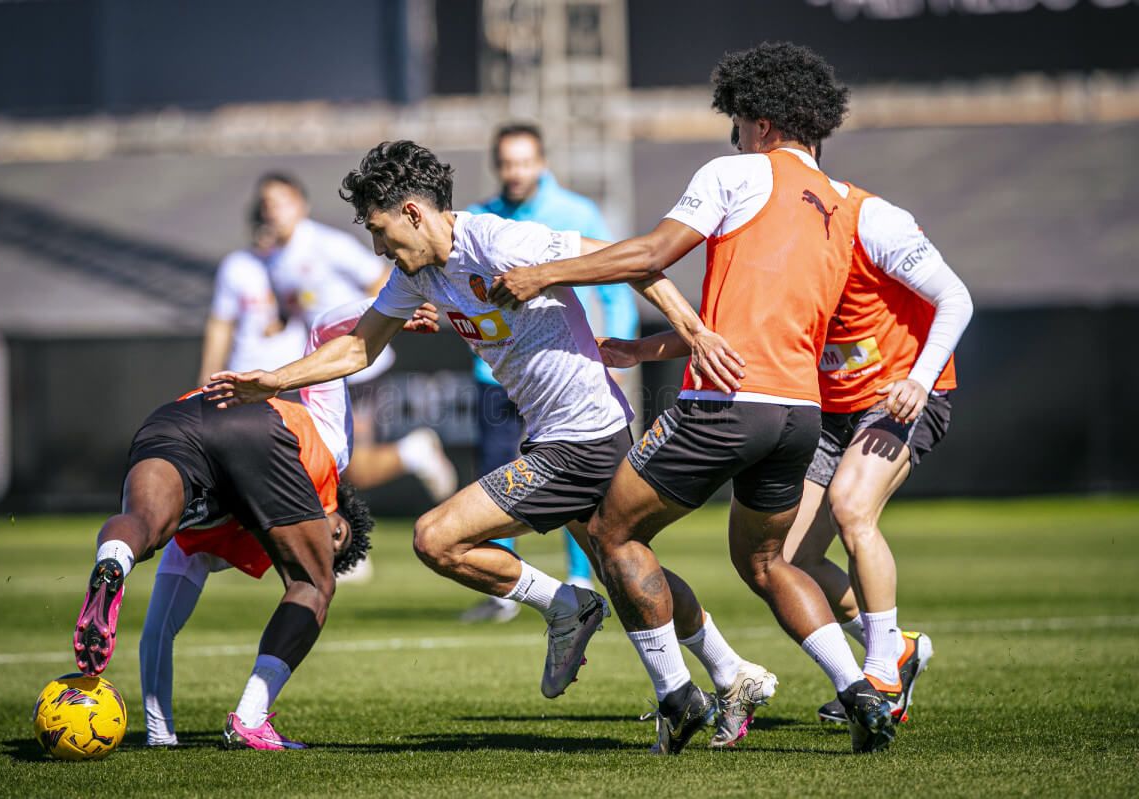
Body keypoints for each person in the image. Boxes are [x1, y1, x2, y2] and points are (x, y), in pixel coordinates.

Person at [206, 142, 777, 721]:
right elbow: (358, 346)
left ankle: (573, 615)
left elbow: (632, 261)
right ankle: (730, 675)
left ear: (412, 213)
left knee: (436, 538)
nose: (379, 249)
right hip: (561, 434)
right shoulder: (418, 276)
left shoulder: (498, 241)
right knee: (623, 562)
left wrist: (695, 332)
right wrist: (274, 379)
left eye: (380, 232)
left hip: (581, 440)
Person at [489, 43, 895, 755]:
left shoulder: (736, 173)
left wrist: (541, 273)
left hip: (724, 405)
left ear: (762, 122)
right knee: (770, 564)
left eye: (738, 121)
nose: (734, 134)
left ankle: (680, 699)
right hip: (799, 414)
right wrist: (649, 350)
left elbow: (650, 256)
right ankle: (861, 691)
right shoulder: (843, 204)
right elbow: (770, 318)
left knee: (611, 533)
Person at [72, 299, 436, 749]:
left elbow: (156, 634)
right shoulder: (334, 452)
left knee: (143, 525)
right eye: (337, 534)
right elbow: (323, 330)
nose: (327, 539)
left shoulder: (214, 546)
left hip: (176, 419)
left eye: (332, 548)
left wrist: (160, 737)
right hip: (257, 416)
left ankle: (113, 562)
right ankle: (250, 719)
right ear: (337, 511)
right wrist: (387, 312)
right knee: (314, 583)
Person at [780, 178, 973, 725]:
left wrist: (919, 379)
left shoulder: (871, 218)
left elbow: (955, 298)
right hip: (827, 409)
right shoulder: (765, 231)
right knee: (790, 556)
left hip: (900, 396)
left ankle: (881, 672)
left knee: (851, 506)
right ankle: (897, 648)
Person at [461, 122, 640, 623]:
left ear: (541, 163)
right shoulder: (478, 218)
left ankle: (581, 578)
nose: (515, 172)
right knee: (496, 478)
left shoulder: (576, 213)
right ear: (497, 165)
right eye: (506, 163)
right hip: (493, 376)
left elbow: (617, 285)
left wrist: (617, 353)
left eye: (524, 161)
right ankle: (505, 586)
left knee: (576, 481)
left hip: (565, 376)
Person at [198, 172, 456, 509]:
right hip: (327, 366)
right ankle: (342, 540)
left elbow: (379, 278)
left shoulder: (326, 244)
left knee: (346, 463)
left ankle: (413, 455)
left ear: (301, 206)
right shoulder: (277, 259)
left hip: (360, 362)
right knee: (329, 459)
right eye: (266, 205)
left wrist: (384, 322)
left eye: (281, 203)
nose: (272, 212)